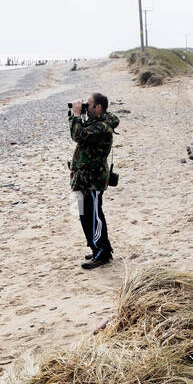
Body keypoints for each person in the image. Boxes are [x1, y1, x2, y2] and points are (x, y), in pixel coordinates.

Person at [69, 92, 119, 269]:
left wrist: (76, 116)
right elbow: (81, 131)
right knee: (84, 215)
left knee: (95, 216)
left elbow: (78, 135)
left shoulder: (102, 128)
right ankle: (94, 246)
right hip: (82, 179)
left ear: (98, 108)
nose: (85, 107)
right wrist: (80, 113)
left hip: (94, 180)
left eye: (88, 105)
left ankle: (103, 253)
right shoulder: (95, 121)